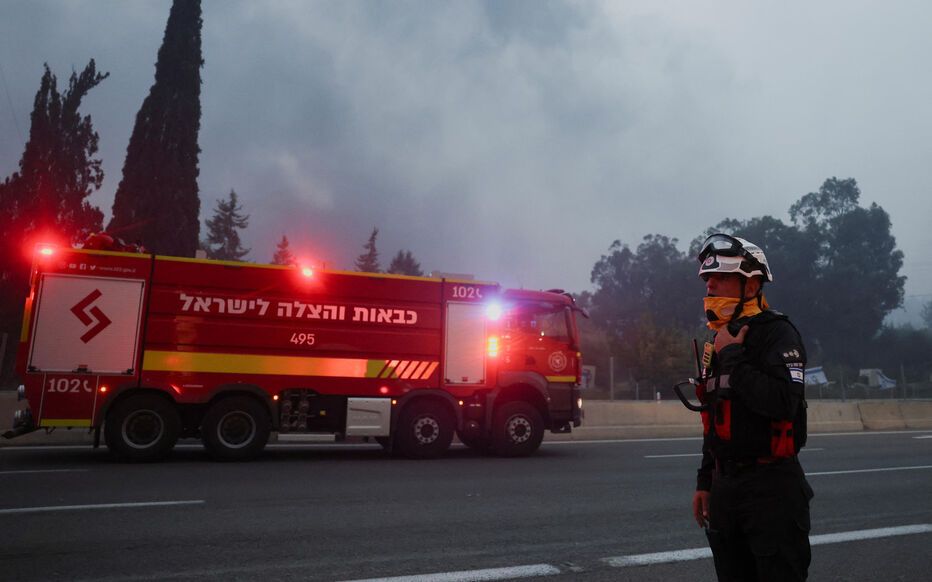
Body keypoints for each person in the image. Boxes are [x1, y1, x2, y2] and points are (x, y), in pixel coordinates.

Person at [690, 233, 814, 581]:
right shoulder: (717, 339)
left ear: (751, 285)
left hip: (772, 490)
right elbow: (713, 417)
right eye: (707, 279)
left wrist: (733, 358)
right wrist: (705, 481)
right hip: (726, 489)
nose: (710, 285)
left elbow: (783, 404)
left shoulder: (778, 334)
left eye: (721, 278)